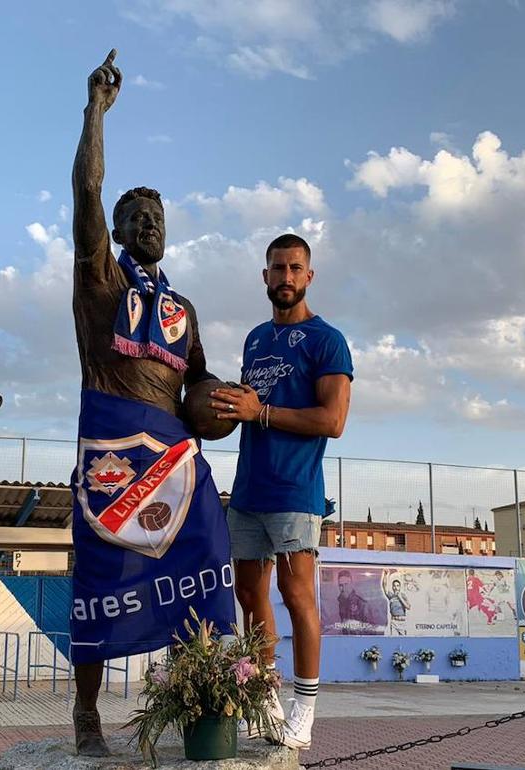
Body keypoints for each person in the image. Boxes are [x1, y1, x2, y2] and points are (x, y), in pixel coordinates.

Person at [68, 49, 235, 756]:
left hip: (175, 459)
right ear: (116, 225)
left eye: (156, 218)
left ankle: (209, 702)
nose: (147, 225)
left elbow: (198, 380)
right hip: (113, 455)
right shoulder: (101, 278)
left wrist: (223, 403)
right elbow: (85, 190)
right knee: (101, 587)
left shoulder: (183, 308)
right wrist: (96, 114)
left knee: (208, 571)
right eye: (134, 216)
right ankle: (86, 714)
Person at [211, 232, 354, 750]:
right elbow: (248, 408)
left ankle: (305, 710)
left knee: (296, 596)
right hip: (248, 489)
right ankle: (264, 695)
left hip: (296, 491)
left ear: (309, 276)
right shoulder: (254, 339)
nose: (286, 277)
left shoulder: (327, 340)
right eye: (278, 268)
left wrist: (261, 412)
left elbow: (333, 420)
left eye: (295, 268)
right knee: (250, 594)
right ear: (265, 276)